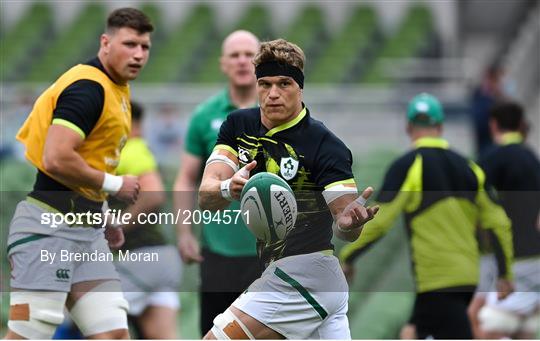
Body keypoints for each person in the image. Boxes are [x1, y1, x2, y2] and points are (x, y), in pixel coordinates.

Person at [198, 38, 379, 339]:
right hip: (301, 279)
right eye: (265, 84)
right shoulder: (237, 126)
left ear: (300, 87)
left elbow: (344, 221)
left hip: (305, 273)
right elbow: (206, 195)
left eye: (284, 84)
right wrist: (230, 186)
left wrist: (349, 224)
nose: (273, 94)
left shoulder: (325, 145)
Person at [5, 8, 153, 339]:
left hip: (87, 234)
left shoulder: (117, 88)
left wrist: (103, 214)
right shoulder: (88, 87)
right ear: (105, 42)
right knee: (31, 331)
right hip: (48, 229)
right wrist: (115, 185)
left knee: (113, 333)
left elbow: (89, 162)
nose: (139, 54)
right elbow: (56, 158)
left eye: (145, 47)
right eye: (130, 44)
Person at [339, 93, 514, 339]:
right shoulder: (471, 168)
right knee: (410, 333)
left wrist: (348, 257)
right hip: (466, 277)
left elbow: (379, 220)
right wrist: (505, 274)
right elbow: (499, 224)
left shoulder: (409, 165)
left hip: (437, 280)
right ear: (440, 127)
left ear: (408, 127)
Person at [173, 30, 262, 336]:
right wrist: (184, 231)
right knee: (215, 333)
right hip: (219, 252)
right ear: (223, 63)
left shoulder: (279, 112)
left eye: (249, 54)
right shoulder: (205, 115)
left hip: (270, 251)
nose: (242, 61)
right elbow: (186, 177)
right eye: (234, 55)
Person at [113, 101, 183, 339]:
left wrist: (118, 225)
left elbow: (154, 192)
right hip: (161, 258)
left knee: (84, 318)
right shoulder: (142, 148)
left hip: (137, 259)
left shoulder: (129, 149)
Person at [471, 102, 540, 339]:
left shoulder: (490, 160)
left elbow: (472, 205)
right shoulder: (532, 158)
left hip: (509, 257)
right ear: (521, 125)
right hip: (535, 256)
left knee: (477, 320)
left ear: (493, 125)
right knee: (526, 327)